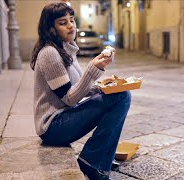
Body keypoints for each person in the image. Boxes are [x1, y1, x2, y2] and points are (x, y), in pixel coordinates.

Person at [30, 2, 131, 180]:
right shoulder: (49, 53)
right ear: (50, 28)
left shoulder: (65, 50)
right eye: (63, 22)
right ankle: (93, 162)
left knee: (119, 94)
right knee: (121, 98)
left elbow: (77, 88)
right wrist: (92, 68)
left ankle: (98, 159)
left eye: (72, 20)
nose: (71, 26)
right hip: (53, 126)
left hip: (63, 119)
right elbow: (69, 98)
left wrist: (101, 87)